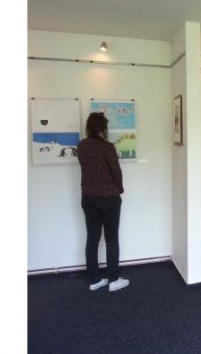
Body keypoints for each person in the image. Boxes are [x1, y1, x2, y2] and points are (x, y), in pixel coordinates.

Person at [77, 112, 130, 292]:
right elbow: (116, 171)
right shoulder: (107, 147)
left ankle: (95, 280)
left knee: (92, 239)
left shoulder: (81, 146)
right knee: (111, 239)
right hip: (109, 198)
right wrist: (119, 189)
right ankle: (114, 280)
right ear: (104, 128)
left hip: (88, 197)